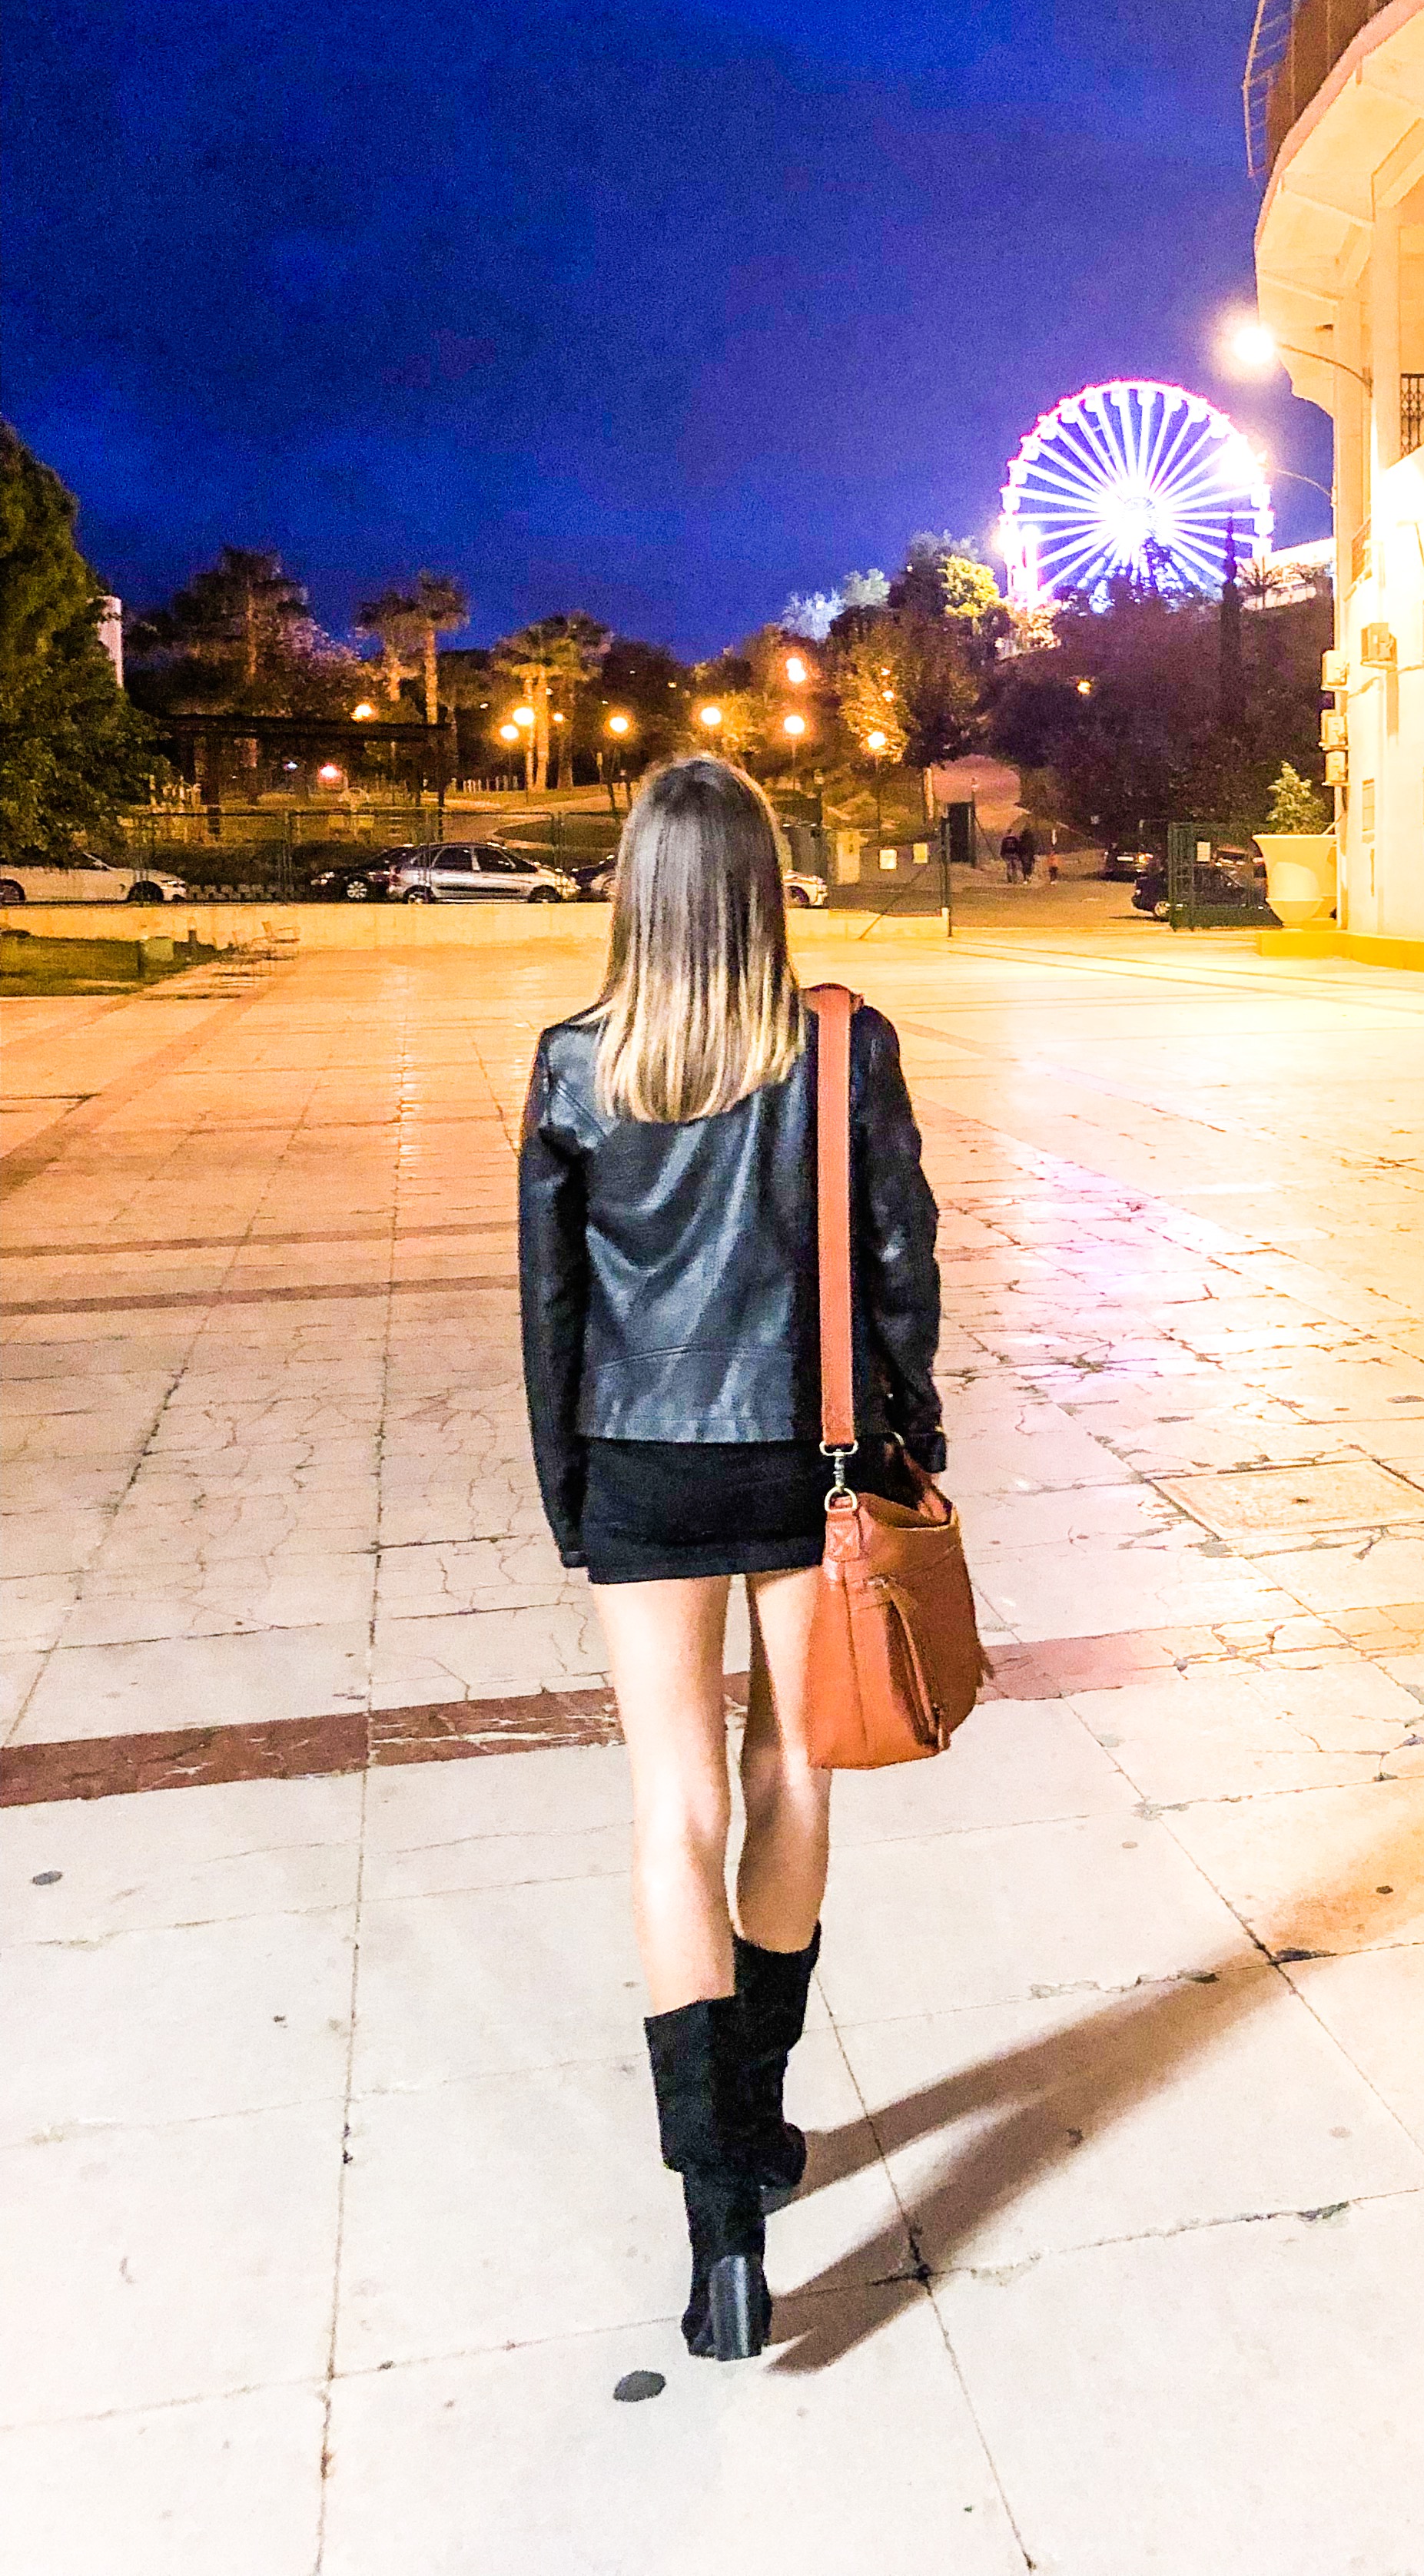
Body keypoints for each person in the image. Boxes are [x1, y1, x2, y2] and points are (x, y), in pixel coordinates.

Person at [519, 754, 944, 2362]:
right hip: (803, 1454)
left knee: (670, 1812)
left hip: (641, 1464)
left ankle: (723, 2241)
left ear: (635, 889)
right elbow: (899, 1268)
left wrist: (577, 1495)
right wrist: (910, 1427)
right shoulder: (844, 1047)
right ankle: (758, 2126)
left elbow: (551, 1307)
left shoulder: (575, 1065)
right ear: (764, 888)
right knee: (792, 1785)